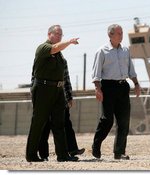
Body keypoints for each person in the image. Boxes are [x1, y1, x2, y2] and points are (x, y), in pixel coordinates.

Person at [26, 24, 79, 162]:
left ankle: (62, 155)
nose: (60, 37)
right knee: (39, 122)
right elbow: (55, 48)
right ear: (49, 34)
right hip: (43, 89)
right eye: (57, 34)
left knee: (59, 123)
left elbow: (64, 75)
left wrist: (67, 94)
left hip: (57, 91)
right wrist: (69, 42)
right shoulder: (43, 48)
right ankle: (31, 154)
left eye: (61, 35)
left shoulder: (60, 56)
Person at [91, 24, 141, 160]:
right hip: (108, 87)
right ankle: (96, 144)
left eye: (122, 33)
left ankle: (119, 152)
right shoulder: (102, 51)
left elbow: (131, 70)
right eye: (118, 33)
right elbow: (96, 73)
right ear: (110, 35)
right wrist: (97, 88)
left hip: (123, 87)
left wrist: (136, 83)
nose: (121, 35)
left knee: (124, 121)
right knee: (107, 120)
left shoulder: (125, 50)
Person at [36, 58, 85, 161]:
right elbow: (36, 79)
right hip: (47, 98)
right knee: (45, 127)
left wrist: (69, 97)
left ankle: (72, 149)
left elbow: (66, 79)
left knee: (66, 124)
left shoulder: (63, 61)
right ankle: (43, 155)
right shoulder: (43, 59)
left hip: (61, 98)